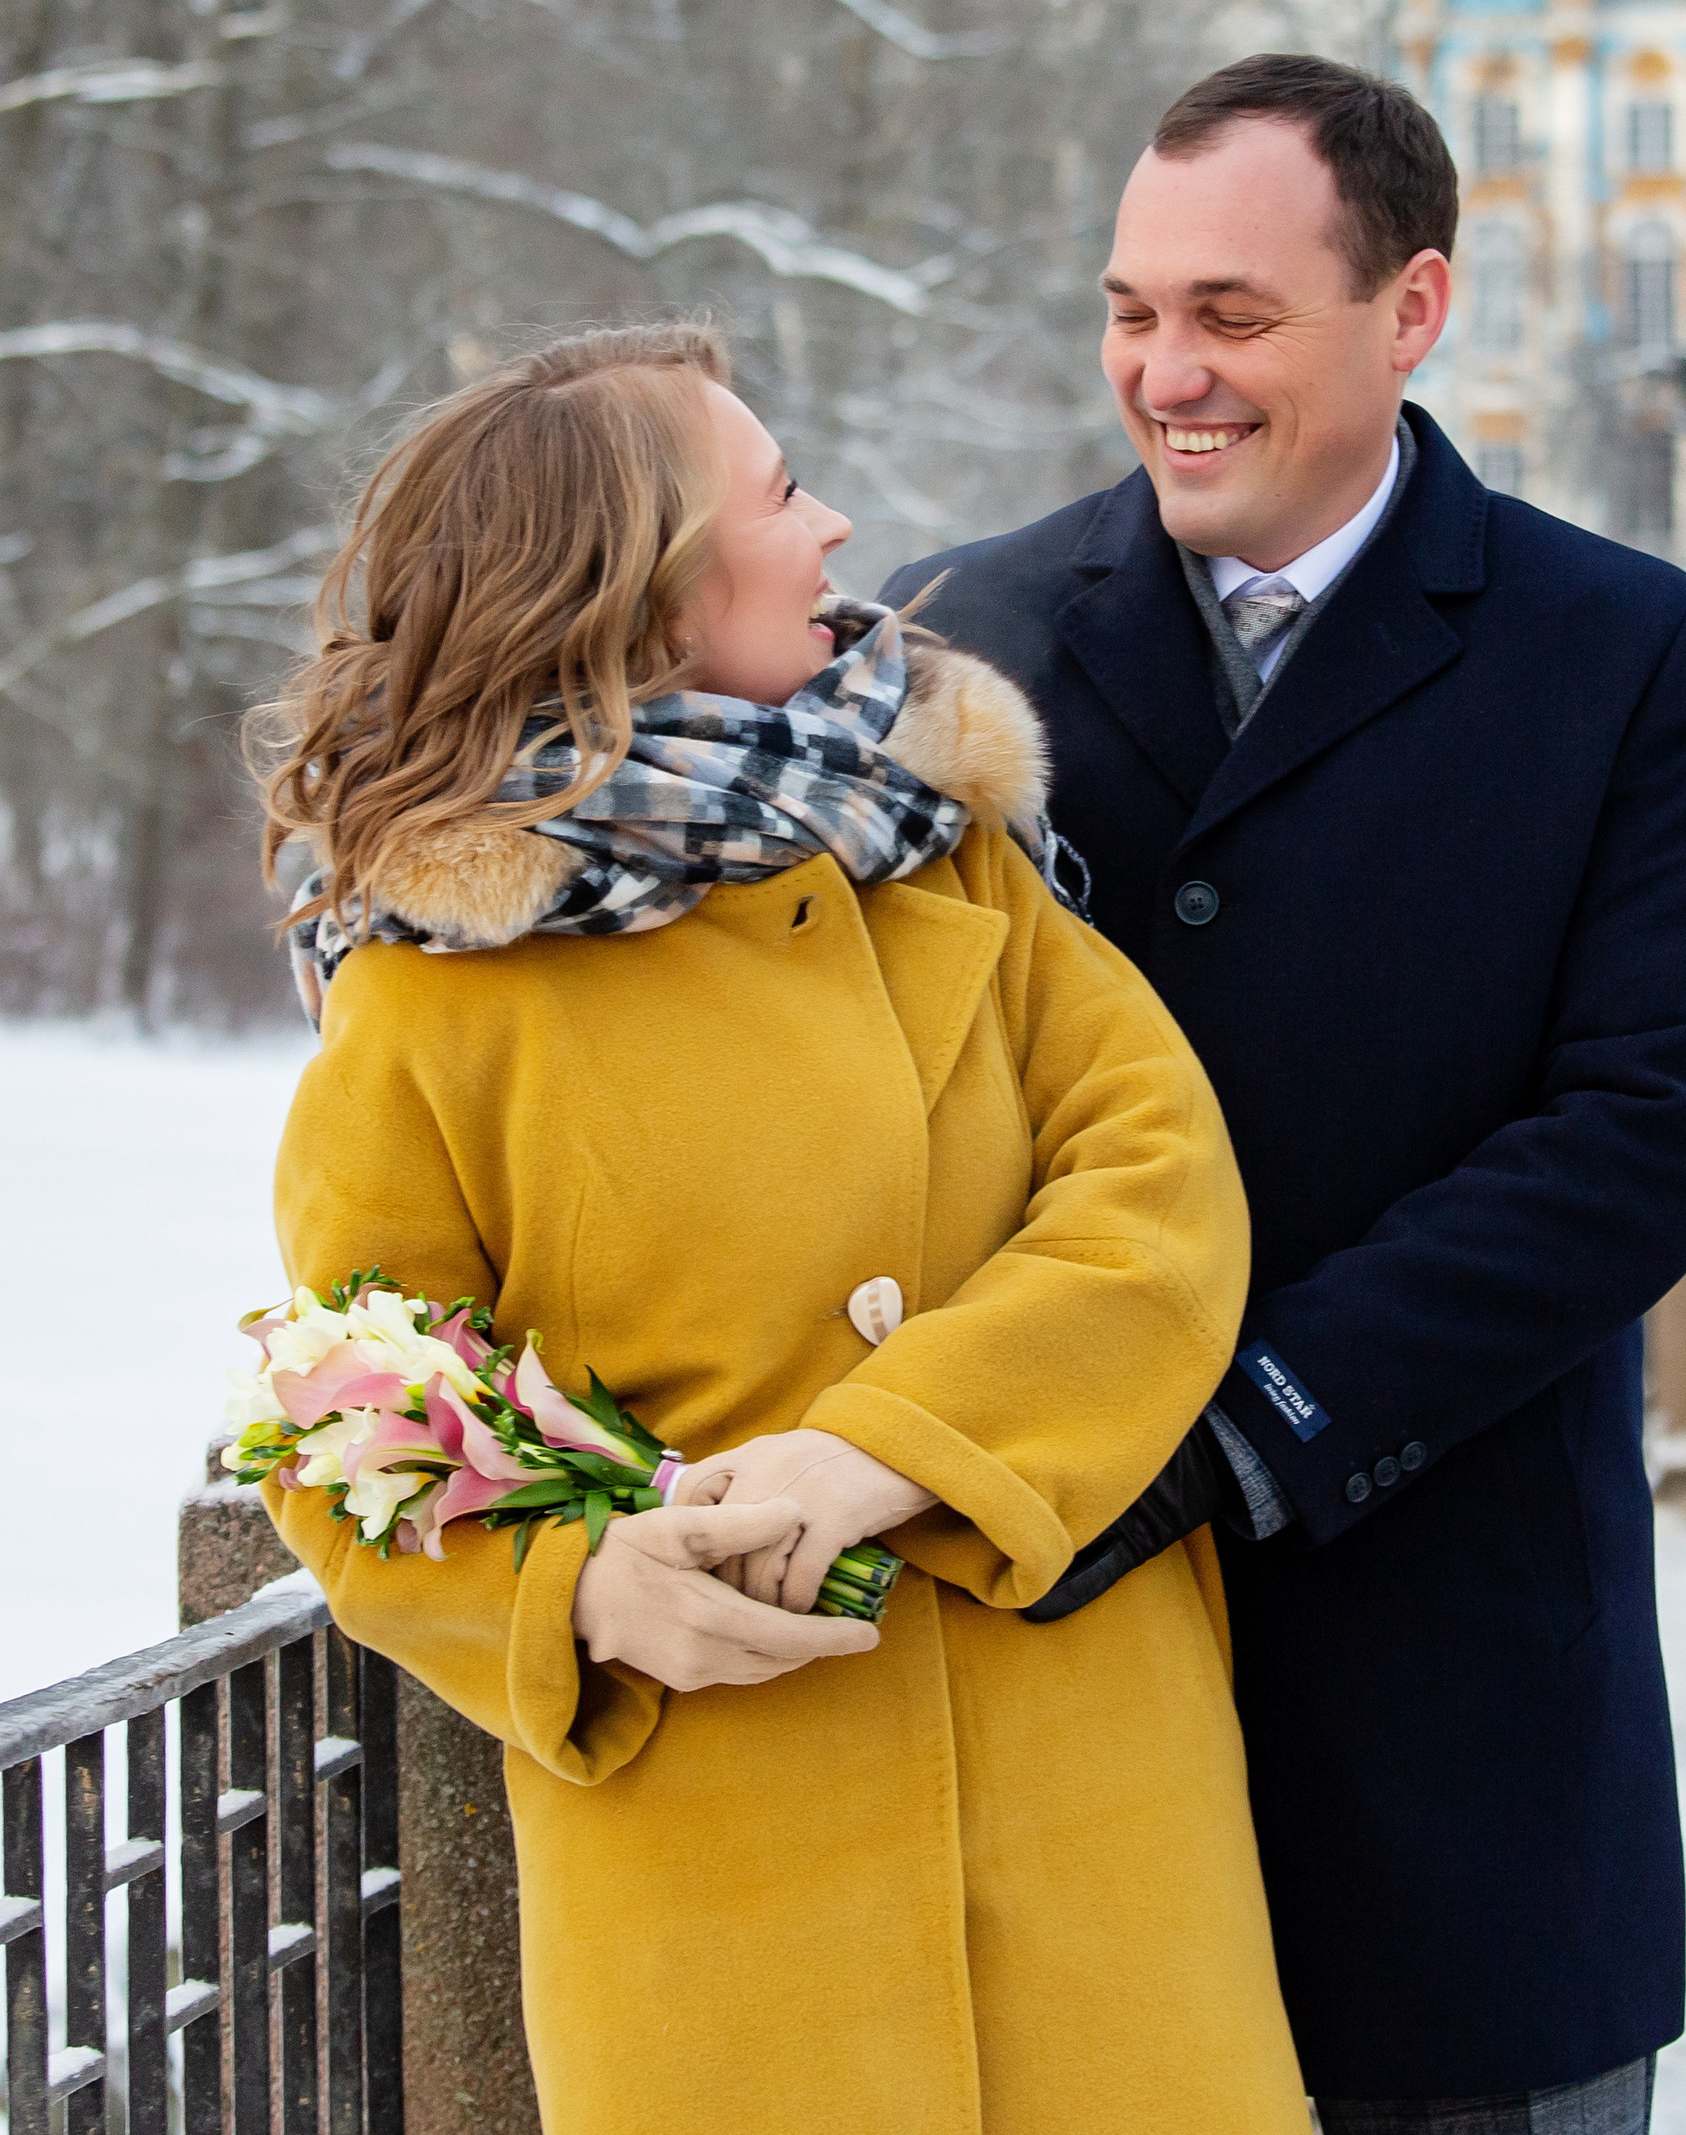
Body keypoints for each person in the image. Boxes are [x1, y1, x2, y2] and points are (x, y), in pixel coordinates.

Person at [251, 322, 1307, 2135]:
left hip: (1093, 1821)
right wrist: (573, 1591)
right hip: (726, 1884)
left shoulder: (942, 850)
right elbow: (355, 1407)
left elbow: (1160, 1196)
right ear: (649, 588)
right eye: (782, 493)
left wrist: (889, 1452)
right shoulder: (432, 989)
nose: (834, 535)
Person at [882, 56, 1686, 2132]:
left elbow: (1636, 1134)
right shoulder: (962, 628)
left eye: (1231, 316)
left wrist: (1248, 1424)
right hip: (1056, 1720)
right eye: (1129, 311)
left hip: (1458, 1751)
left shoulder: (1612, 647)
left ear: (1414, 309)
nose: (1164, 373)